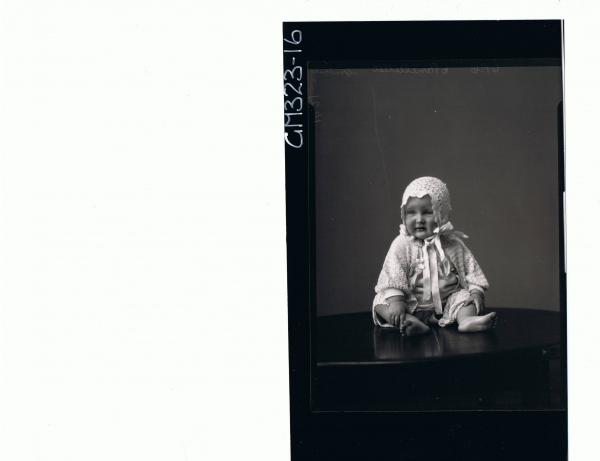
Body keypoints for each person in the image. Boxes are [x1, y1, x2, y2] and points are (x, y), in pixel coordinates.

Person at [373, 176, 497, 336]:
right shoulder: (401, 244)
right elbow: (393, 274)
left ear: (442, 213)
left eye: (427, 212)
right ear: (403, 214)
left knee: (464, 297)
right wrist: (396, 301)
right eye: (411, 213)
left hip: (447, 305)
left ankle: (466, 320)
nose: (419, 219)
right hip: (410, 304)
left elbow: (471, 271)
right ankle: (410, 322)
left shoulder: (453, 244)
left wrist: (476, 292)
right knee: (381, 301)